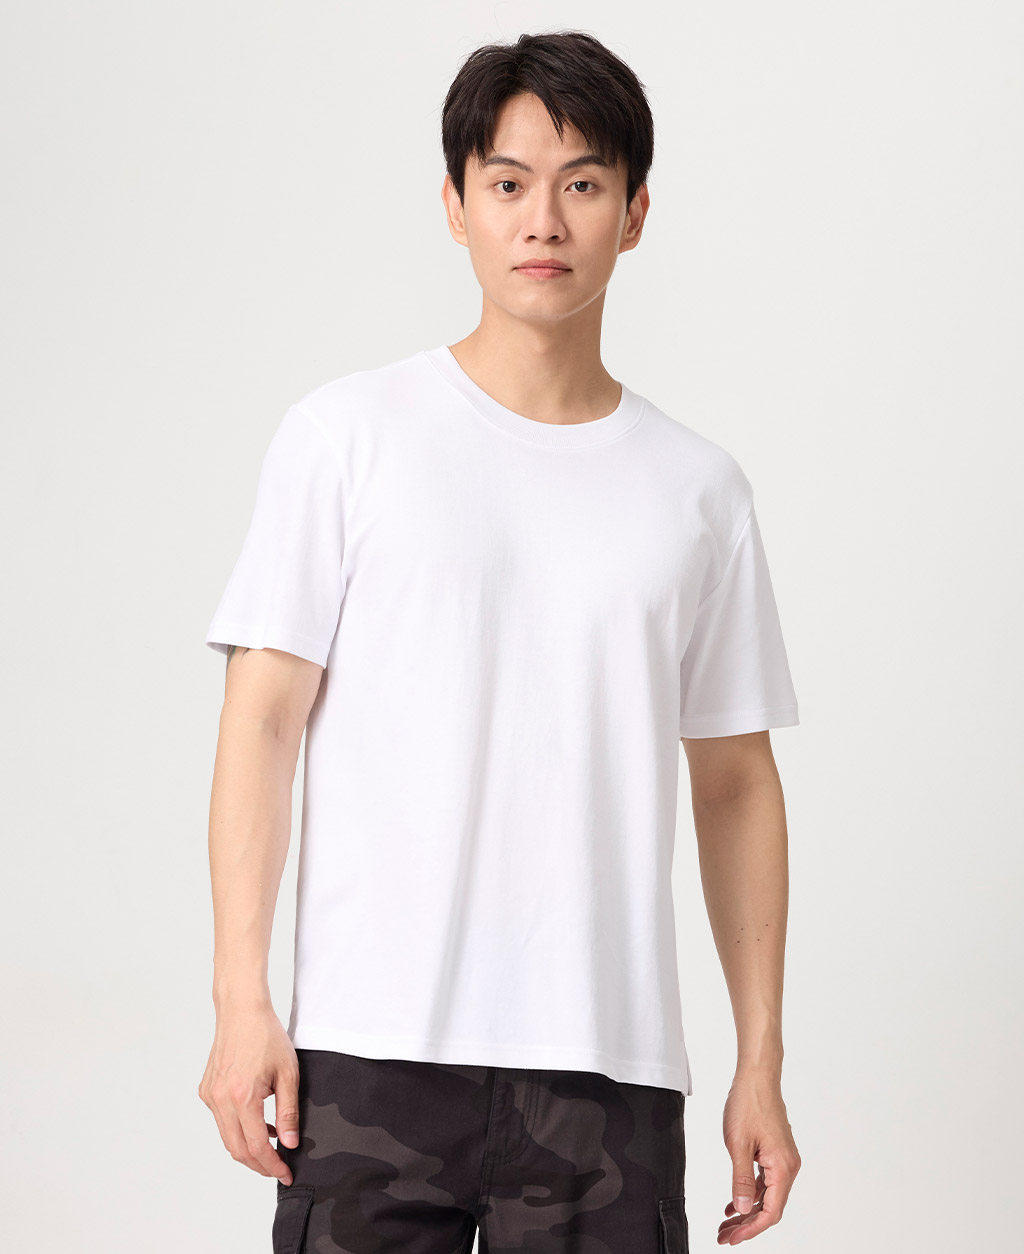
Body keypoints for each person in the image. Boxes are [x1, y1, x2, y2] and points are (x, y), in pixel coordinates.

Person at [198, 29, 802, 1253]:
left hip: (608, 1072)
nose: (544, 220)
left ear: (634, 214)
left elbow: (736, 782)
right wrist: (239, 1000)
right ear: (455, 206)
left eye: (582, 183)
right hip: (368, 1052)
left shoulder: (699, 490)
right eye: (508, 182)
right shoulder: (346, 438)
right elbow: (261, 723)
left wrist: (759, 1062)